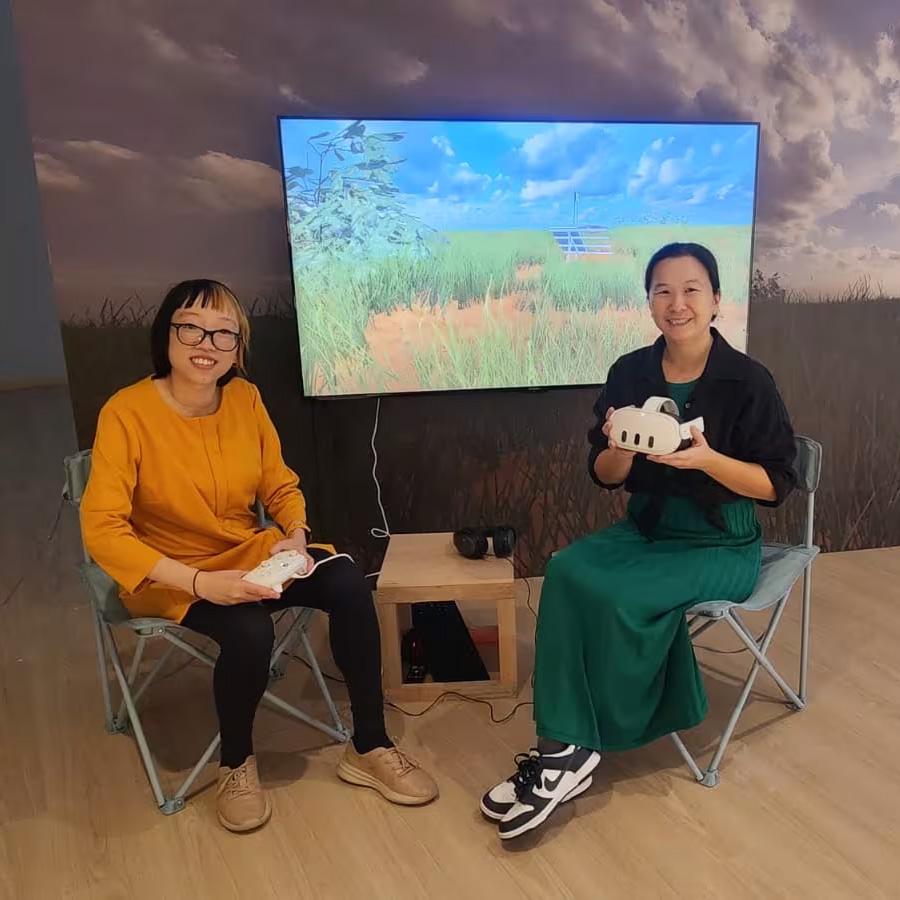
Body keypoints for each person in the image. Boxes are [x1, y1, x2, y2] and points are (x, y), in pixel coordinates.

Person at [80, 279, 438, 833]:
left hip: (250, 553)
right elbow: (103, 530)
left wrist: (295, 532)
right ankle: (236, 764)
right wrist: (201, 583)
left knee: (346, 580)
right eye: (192, 326)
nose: (208, 343)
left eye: (225, 333)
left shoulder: (245, 398)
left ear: (238, 347)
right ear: (167, 334)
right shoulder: (125, 412)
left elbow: (279, 482)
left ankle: (369, 744)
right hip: (170, 571)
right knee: (248, 630)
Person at [480, 242, 797, 840]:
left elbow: (775, 484)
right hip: (648, 525)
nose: (676, 304)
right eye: (662, 291)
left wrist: (707, 461)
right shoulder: (631, 372)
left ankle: (574, 748)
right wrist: (619, 452)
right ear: (649, 300)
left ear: (716, 300)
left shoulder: (747, 381)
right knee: (567, 569)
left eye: (691, 290)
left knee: (619, 594)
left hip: (720, 543)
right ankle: (565, 749)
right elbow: (602, 473)